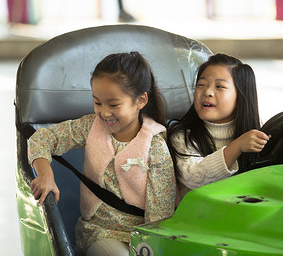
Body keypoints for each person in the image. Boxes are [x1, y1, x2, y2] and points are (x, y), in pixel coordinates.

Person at [28, 51, 176, 255]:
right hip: (99, 233)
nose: (104, 112)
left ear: (140, 101)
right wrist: (45, 174)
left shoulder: (155, 147)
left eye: (114, 104)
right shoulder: (90, 126)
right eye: (97, 102)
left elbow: (160, 215)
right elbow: (42, 138)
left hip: (142, 238)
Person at [166, 53, 270, 203]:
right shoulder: (182, 136)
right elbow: (194, 177)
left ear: (241, 97)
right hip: (195, 219)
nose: (207, 92)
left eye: (220, 86)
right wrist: (237, 147)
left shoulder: (253, 136)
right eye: (201, 85)